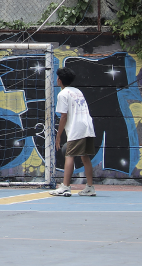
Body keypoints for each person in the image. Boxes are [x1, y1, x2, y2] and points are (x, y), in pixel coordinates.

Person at [50, 67, 97, 197]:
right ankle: (90, 187)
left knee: (69, 155)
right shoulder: (77, 91)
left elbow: (63, 116)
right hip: (88, 126)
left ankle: (65, 186)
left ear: (59, 80)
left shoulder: (63, 94)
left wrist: (58, 135)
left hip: (77, 129)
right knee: (85, 156)